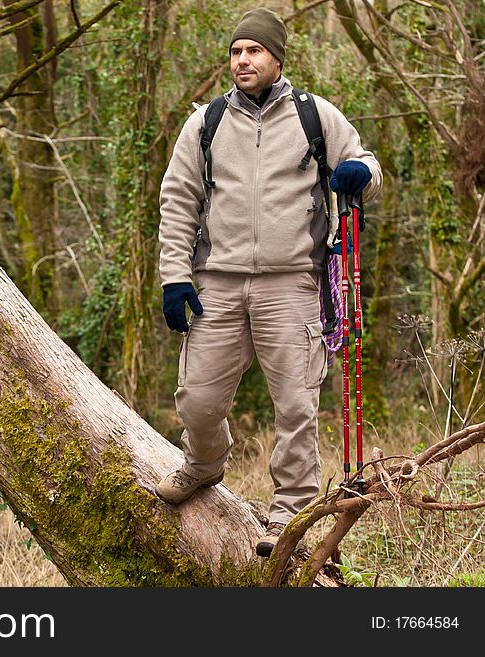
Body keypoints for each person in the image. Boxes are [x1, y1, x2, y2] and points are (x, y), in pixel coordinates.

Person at [154, 7, 382, 557]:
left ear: (277, 57)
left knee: (296, 406)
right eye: (235, 51)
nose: (242, 60)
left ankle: (290, 515)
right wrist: (174, 278)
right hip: (218, 284)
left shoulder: (314, 116)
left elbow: (366, 167)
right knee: (199, 403)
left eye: (253, 51)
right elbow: (178, 201)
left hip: (293, 283)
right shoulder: (205, 123)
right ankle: (204, 464)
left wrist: (359, 175)